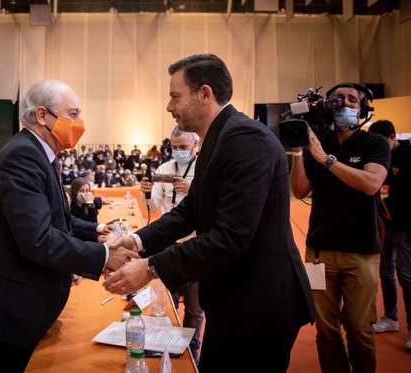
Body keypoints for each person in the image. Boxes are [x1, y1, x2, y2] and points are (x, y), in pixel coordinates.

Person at [104, 54, 314, 372]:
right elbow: (191, 209)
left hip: (259, 305)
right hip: (235, 299)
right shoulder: (219, 137)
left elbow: (230, 237)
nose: (168, 107)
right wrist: (135, 241)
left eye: (175, 96)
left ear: (204, 94)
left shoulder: (244, 139)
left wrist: (149, 268)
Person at [0, 80, 137, 373]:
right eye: (73, 113)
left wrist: (97, 232)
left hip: (22, 306)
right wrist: (104, 256)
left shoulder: (40, 153)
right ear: (43, 115)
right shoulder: (23, 156)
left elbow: (57, 218)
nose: (80, 123)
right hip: (7, 313)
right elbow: (38, 239)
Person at [290, 83, 390, 372]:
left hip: (361, 252)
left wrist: (326, 159)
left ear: (363, 109)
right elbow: (299, 190)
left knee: (360, 329)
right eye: (338, 99)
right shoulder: (317, 144)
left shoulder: (374, 144)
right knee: (326, 330)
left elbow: (371, 184)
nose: (344, 103)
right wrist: (299, 152)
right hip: (319, 250)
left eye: (352, 99)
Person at [139, 126, 203, 362]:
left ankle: (192, 354)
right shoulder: (164, 169)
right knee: (168, 303)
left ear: (196, 145)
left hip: (198, 245)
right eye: (174, 147)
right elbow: (153, 208)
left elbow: (215, 209)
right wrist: (145, 193)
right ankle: (168, 351)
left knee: (195, 309)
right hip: (169, 245)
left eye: (183, 147)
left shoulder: (204, 169)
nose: (179, 152)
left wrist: (193, 191)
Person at [368, 120, 411, 350]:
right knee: (386, 272)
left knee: (406, 276)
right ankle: (391, 318)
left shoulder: (408, 154)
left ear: (393, 137)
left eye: (382, 141)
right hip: (387, 224)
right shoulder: (382, 156)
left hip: (405, 226)